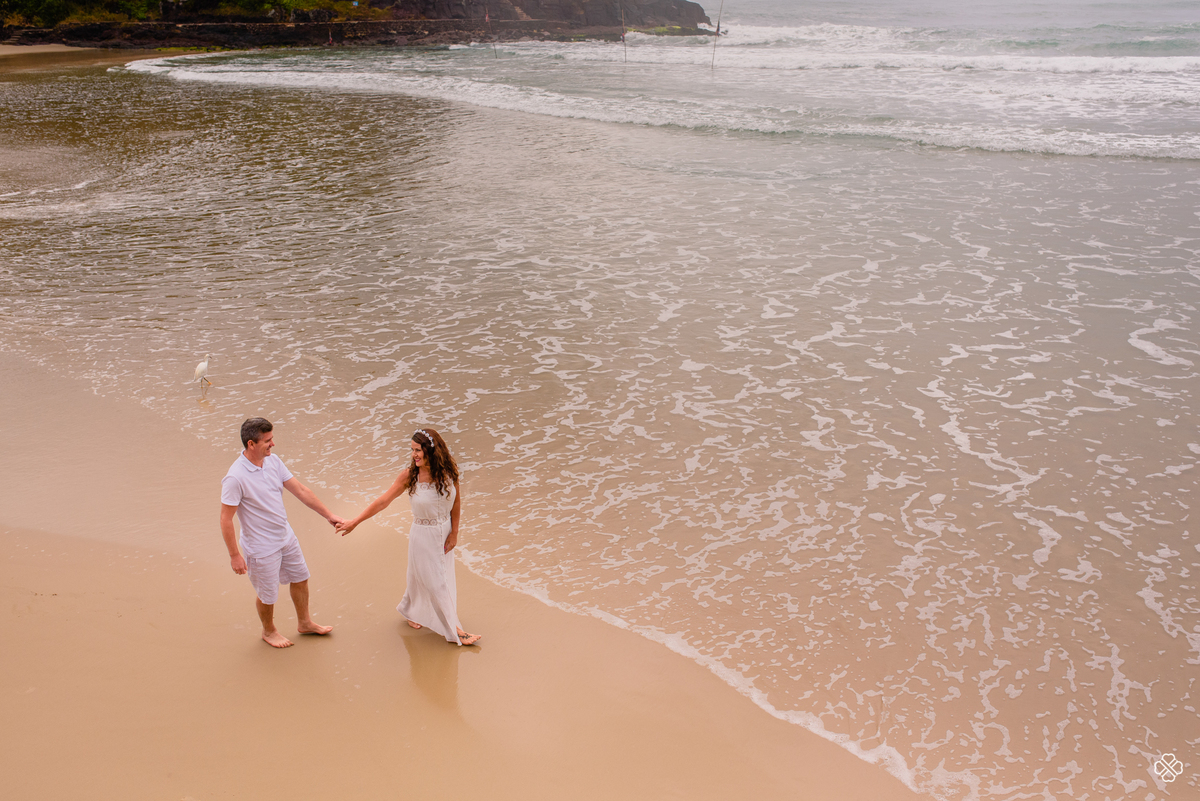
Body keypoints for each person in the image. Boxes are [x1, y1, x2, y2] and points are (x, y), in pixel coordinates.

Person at [337, 428, 481, 645]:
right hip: (422, 535)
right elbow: (383, 501)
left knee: (427, 578)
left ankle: (408, 609)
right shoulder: (409, 476)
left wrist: (454, 533)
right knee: (436, 583)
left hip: (444, 533)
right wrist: (355, 522)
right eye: (412, 450)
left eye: (418, 450)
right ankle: (456, 630)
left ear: (431, 450)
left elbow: (456, 503)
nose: (414, 455)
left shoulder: (450, 472)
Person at [220, 417, 343, 648]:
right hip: (260, 547)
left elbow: (300, 490)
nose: (272, 444)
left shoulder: (273, 462)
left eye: (272, 438)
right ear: (251, 444)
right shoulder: (235, 477)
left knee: (301, 578)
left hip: (285, 537)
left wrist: (329, 515)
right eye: (267, 441)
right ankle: (269, 631)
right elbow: (226, 519)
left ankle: (304, 623)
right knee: (268, 594)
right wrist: (234, 555)